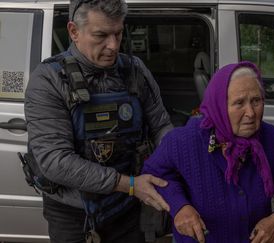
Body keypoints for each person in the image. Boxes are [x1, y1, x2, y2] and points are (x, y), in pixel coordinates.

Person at [24, 0, 173, 242]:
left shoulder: (135, 69)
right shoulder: (48, 80)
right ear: (74, 31)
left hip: (128, 209)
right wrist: (130, 184)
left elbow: (161, 126)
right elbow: (55, 160)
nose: (113, 46)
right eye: (101, 35)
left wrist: (171, 165)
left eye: (118, 33)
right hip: (75, 216)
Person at [143, 61, 274, 243]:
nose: (250, 113)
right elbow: (154, 174)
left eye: (256, 100)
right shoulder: (186, 140)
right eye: (239, 103)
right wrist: (179, 206)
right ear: (218, 105)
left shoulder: (268, 138)